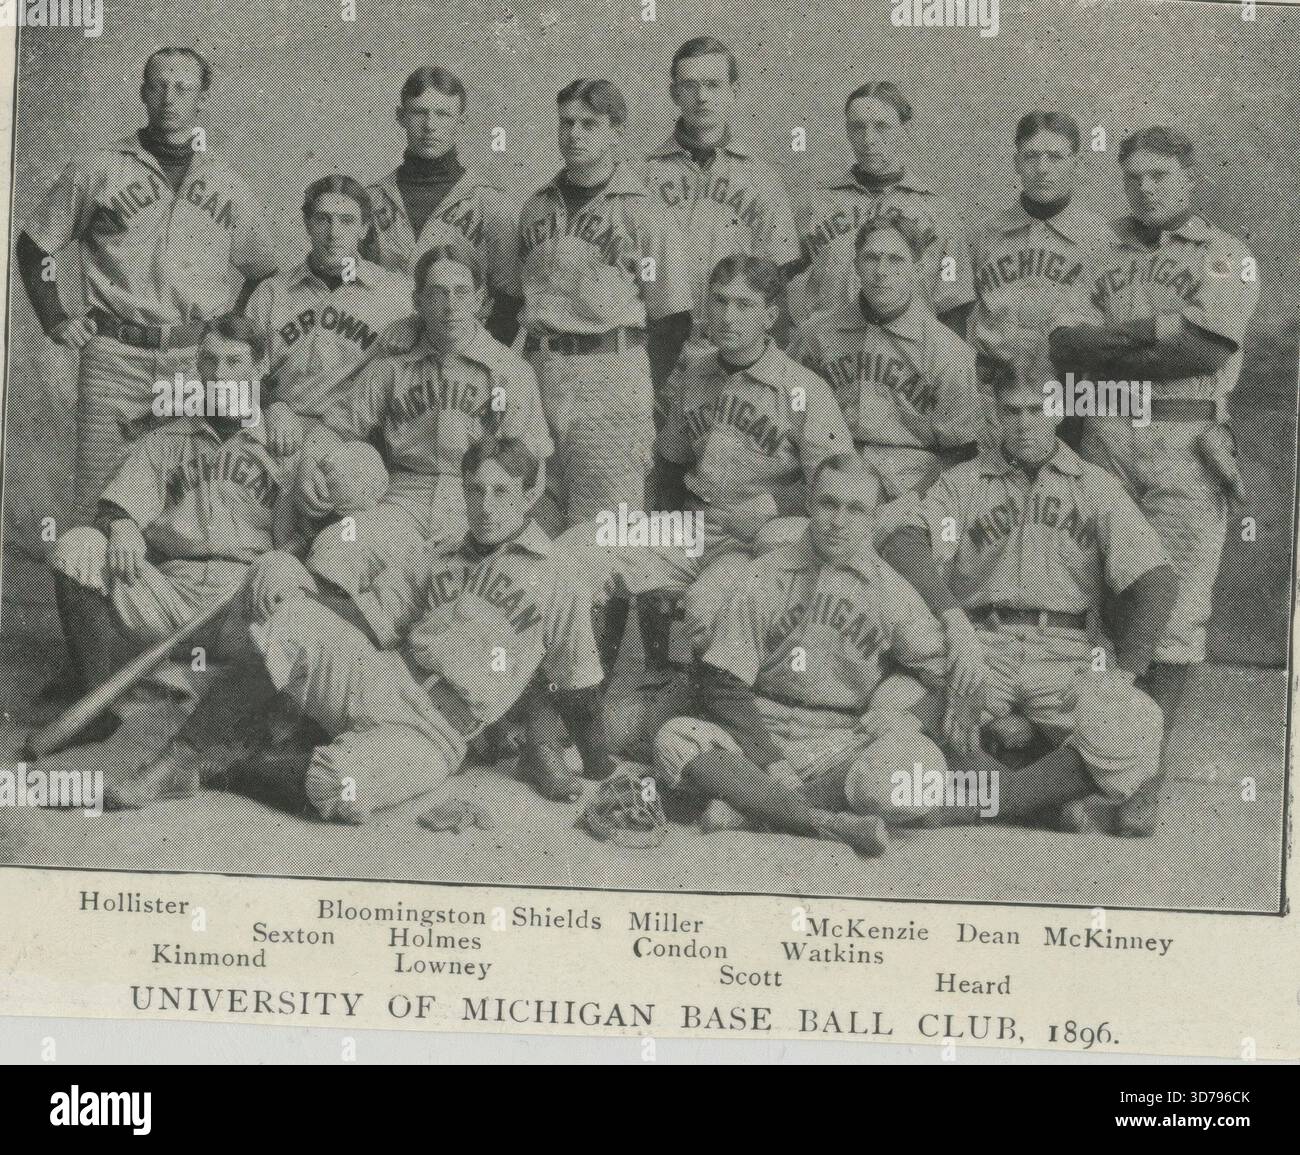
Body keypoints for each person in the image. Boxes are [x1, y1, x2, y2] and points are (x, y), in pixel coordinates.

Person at [119, 437, 606, 819]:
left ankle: (225, 771)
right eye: (474, 490)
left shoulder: (558, 577)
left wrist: (600, 764)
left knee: (339, 787)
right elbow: (366, 619)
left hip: (436, 732)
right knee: (290, 623)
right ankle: (176, 760)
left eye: (501, 492)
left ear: (529, 494)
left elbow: (579, 685)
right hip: (384, 678)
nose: (485, 506)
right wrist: (297, 586)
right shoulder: (438, 556)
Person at [1049, 126, 1259, 835]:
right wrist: (1157, 331)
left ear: (1189, 178)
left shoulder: (1226, 255)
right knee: (1105, 605)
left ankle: (1145, 783)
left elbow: (1202, 350)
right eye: (1134, 176)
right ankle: (1098, 766)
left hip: (1183, 439)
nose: (1145, 188)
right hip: (1106, 435)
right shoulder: (1098, 249)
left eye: (1160, 175)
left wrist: (1120, 341)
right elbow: (1066, 343)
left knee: (1174, 614)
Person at [888, 358, 1179, 832]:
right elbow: (903, 540)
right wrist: (955, 624)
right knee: (893, 711)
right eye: (1012, 410)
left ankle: (992, 799)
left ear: (1059, 411)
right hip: (982, 648)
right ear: (995, 414)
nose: (1024, 423)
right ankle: (1043, 800)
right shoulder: (964, 484)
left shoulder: (1095, 487)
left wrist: (1124, 674)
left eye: (1036, 409)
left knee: (1136, 724)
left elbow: (1158, 579)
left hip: (1066, 654)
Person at [650, 454, 966, 857]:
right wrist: (771, 761)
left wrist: (907, 711)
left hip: (839, 739)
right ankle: (825, 821)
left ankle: (756, 809)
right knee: (675, 739)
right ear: (809, 505)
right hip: (759, 730)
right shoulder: (765, 574)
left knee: (918, 775)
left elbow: (942, 674)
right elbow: (722, 683)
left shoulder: (892, 592)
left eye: (855, 510)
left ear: (873, 520)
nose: (839, 521)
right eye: (828, 504)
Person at [17, 47, 278, 527]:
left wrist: (229, 333)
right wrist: (56, 318)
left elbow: (262, 271)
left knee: (180, 504)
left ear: (202, 98)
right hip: (114, 359)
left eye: (183, 88)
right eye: (159, 86)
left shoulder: (228, 182)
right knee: (99, 503)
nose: (170, 98)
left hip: (194, 363)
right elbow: (35, 247)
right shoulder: (98, 168)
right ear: (142, 93)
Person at [42, 316, 314, 748]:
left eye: (233, 362)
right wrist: (121, 524)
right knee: (79, 546)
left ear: (260, 366)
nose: (219, 375)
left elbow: (330, 521)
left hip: (244, 601)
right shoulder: (167, 438)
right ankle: (95, 705)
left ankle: (241, 731)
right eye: (209, 361)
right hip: (170, 593)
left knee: (293, 594)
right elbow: (115, 505)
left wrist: (287, 560)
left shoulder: (288, 444)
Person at [303, 244, 551, 600]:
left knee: (465, 592)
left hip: (475, 503)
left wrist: (494, 524)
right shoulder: (393, 365)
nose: (450, 306)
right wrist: (310, 460)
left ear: (480, 300)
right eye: (437, 294)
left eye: (461, 293)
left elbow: (532, 471)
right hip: (402, 501)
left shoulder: (510, 371)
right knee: (338, 547)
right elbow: (335, 428)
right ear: (417, 301)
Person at [790, 215, 985, 503]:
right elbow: (789, 417)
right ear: (856, 265)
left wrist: (913, 502)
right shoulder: (816, 334)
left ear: (917, 269)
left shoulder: (948, 352)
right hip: (827, 477)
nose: (881, 271)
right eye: (871, 258)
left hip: (907, 484)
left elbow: (960, 453)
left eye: (896, 260)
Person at [642, 37, 802, 344]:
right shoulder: (642, 176)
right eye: (690, 86)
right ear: (674, 93)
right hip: (659, 342)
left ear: (733, 92)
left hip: (736, 342)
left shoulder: (762, 178)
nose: (702, 97)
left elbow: (778, 278)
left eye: (713, 85)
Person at [243, 175, 415, 456]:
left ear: (364, 228)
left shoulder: (396, 293)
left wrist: (416, 323)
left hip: (351, 442)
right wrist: (271, 406)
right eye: (324, 219)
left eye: (347, 221)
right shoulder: (272, 292)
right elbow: (242, 372)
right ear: (307, 224)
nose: (334, 233)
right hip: (278, 432)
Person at [968, 111, 1112, 443]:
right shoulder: (985, 234)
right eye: (1031, 156)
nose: (1042, 168)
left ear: (1076, 163)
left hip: (1069, 395)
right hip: (992, 394)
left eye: (1055, 157)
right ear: (1016, 162)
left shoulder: (1102, 240)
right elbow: (958, 314)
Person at [795, 82, 972, 332]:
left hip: (907, 351)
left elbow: (954, 306)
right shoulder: (818, 203)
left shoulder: (938, 213)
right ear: (847, 132)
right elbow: (777, 280)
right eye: (858, 127)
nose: (869, 140)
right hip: (830, 349)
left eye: (882, 127)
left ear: (905, 130)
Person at [364, 66, 523, 343]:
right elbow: (350, 289)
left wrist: (474, 356)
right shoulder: (370, 200)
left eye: (443, 114)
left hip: (458, 355)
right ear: (401, 116)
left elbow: (509, 299)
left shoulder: (488, 202)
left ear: (461, 121)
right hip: (384, 350)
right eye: (419, 112)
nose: (430, 126)